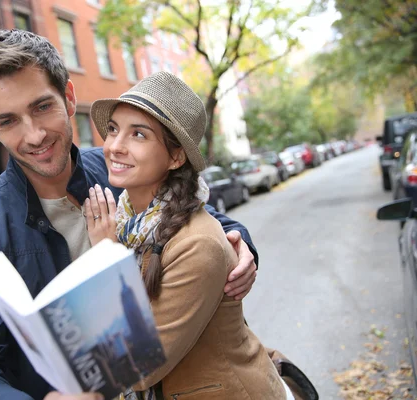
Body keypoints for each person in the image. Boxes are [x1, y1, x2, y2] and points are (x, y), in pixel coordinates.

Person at [0, 29, 258, 400]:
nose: (34, 136)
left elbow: (189, 214)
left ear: (70, 98)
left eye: (42, 107)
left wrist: (240, 244)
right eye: (8, 121)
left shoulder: (118, 170)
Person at [85, 72, 294, 399]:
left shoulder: (197, 243)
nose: (114, 146)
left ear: (175, 156)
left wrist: (105, 258)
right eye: (113, 129)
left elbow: (138, 369)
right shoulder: (126, 222)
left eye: (138, 134)